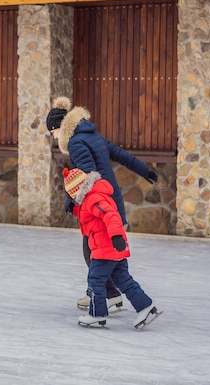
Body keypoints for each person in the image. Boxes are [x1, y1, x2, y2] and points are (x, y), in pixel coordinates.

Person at [46, 96, 159, 310]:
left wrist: (71, 199)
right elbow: (121, 155)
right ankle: (110, 293)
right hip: (111, 198)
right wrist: (145, 171)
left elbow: (87, 176)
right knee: (105, 252)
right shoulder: (91, 135)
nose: (53, 136)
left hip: (99, 203)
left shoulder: (76, 142)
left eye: (53, 132)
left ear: (60, 127)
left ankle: (107, 294)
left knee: (94, 251)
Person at [62, 167, 159, 328]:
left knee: (95, 280)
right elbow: (91, 214)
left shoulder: (94, 199)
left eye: (72, 196)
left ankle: (97, 314)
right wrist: (75, 210)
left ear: (78, 191)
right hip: (112, 248)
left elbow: (110, 215)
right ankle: (146, 307)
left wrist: (116, 236)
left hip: (105, 248)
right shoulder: (94, 197)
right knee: (123, 279)